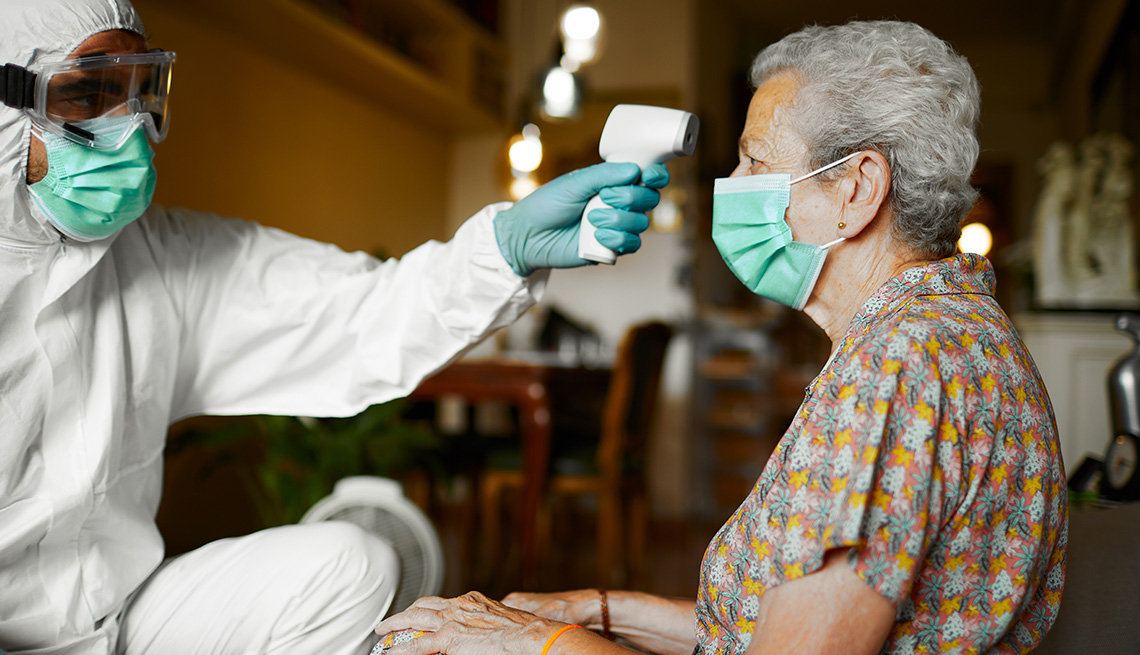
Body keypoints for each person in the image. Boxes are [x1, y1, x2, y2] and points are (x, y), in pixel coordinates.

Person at [373, 20, 1068, 655]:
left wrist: (537, 643)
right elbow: (757, 626)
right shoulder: (949, 332)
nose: (730, 187)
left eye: (755, 162)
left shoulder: (899, 368)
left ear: (857, 188)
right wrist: (595, 608)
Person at [0, 1, 670, 654]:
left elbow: (360, 311)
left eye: (136, 92)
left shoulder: (164, 259)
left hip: (117, 618)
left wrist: (504, 249)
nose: (127, 129)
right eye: (87, 94)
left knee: (353, 564)